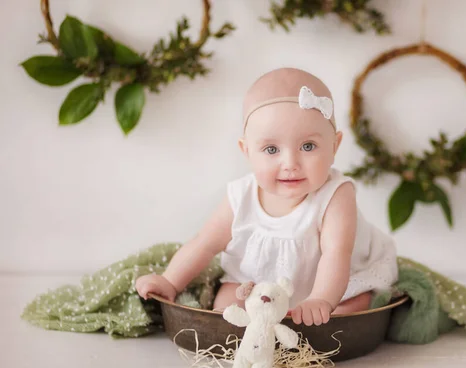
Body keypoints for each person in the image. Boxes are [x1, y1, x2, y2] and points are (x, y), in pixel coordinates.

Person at [135, 67, 398, 326]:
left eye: (308, 146)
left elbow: (336, 254)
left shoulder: (337, 195)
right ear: (247, 150)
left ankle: (325, 309)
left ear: (334, 146)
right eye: (271, 149)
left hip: (333, 281)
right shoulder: (241, 196)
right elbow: (204, 244)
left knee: (352, 308)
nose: (290, 163)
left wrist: (322, 300)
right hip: (255, 281)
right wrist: (170, 281)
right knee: (225, 310)